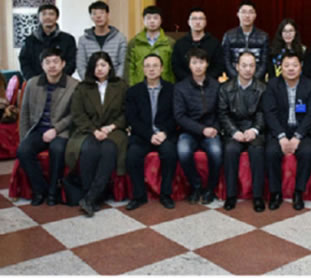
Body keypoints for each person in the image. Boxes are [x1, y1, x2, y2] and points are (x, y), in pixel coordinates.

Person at [66, 52, 129, 217]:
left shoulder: (121, 85)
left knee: (109, 149)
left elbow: (127, 112)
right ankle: (90, 195)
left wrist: (111, 127)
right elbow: (78, 114)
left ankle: (90, 197)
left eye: (103, 65)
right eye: (95, 66)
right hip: (88, 130)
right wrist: (94, 130)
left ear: (110, 67)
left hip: (114, 130)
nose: (99, 69)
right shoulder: (82, 87)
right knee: (89, 150)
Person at [16, 48, 78, 206]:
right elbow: (24, 113)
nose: (52, 66)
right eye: (48, 62)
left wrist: (56, 129)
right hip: (38, 129)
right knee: (23, 150)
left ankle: (53, 191)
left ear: (63, 64)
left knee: (57, 149)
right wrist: (24, 138)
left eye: (56, 62)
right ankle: (40, 189)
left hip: (61, 131)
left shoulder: (74, 85)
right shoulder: (32, 84)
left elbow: (74, 114)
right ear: (42, 65)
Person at [263, 51, 311, 211]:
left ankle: (299, 192)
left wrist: (297, 137)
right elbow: (269, 113)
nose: (291, 69)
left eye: (294, 65)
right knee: (271, 152)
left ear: (301, 66)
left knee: (308, 152)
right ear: (281, 68)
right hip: (279, 130)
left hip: (301, 131)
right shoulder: (272, 85)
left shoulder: (310, 85)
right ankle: (275, 193)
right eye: (286, 65)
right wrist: (281, 137)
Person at [124, 54, 177, 211]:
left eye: (155, 65)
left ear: (162, 68)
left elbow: (176, 116)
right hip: (143, 135)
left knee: (170, 153)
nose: (151, 69)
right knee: (133, 155)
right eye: (147, 66)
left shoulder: (172, 90)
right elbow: (132, 119)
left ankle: (166, 194)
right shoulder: (133, 91)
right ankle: (139, 196)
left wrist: (164, 132)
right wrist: (149, 135)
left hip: (164, 134)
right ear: (143, 69)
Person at [218, 51, 267, 212]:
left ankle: (258, 196)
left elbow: (263, 113)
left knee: (257, 150)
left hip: (255, 129)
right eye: (244, 65)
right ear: (237, 66)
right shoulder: (225, 88)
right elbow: (223, 114)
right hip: (234, 129)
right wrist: (234, 131)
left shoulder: (262, 88)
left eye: (251, 65)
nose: (248, 69)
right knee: (230, 150)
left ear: (256, 67)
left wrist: (254, 130)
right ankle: (231, 195)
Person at [174, 48, 222, 205]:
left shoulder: (216, 86)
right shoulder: (180, 87)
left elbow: (221, 111)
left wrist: (215, 128)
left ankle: (210, 189)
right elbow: (180, 116)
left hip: (212, 130)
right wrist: (202, 130)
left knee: (216, 152)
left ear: (207, 64)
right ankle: (196, 186)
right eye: (194, 62)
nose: (198, 66)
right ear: (189, 65)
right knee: (183, 151)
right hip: (189, 131)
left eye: (201, 62)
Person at [19, 4, 76, 80]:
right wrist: (33, 79)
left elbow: (72, 61)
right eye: (44, 14)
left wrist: (59, 78)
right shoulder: (30, 40)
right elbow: (24, 61)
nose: (48, 17)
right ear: (38, 17)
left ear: (57, 17)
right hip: (36, 82)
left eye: (51, 14)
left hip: (62, 81)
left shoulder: (68, 39)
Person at [76, 0, 128, 79]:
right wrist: (89, 82)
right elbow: (81, 65)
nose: (98, 16)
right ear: (91, 17)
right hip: (91, 83)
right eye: (94, 13)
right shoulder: (83, 40)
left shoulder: (120, 38)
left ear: (108, 14)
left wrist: (115, 82)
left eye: (101, 13)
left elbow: (123, 64)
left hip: (114, 82)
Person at [171, 7, 225, 82]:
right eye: (194, 19)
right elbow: (176, 66)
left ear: (205, 22)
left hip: (209, 84)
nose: (197, 22)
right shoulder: (180, 43)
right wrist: (190, 80)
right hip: (185, 84)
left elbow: (219, 66)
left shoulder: (214, 43)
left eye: (201, 19)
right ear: (188, 22)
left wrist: (204, 80)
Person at [126, 5, 175, 86]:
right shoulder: (134, 42)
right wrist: (132, 87)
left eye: (155, 18)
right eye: (148, 18)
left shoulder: (169, 43)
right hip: (139, 86)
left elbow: (172, 69)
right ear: (143, 20)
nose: (152, 21)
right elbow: (129, 68)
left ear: (161, 20)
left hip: (164, 87)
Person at [222, 0, 269, 81]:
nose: (247, 16)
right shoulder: (229, 36)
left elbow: (264, 63)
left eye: (251, 12)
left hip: (257, 81)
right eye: (243, 12)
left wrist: (254, 79)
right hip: (234, 80)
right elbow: (226, 61)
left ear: (255, 15)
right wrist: (238, 79)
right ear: (238, 14)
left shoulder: (264, 37)